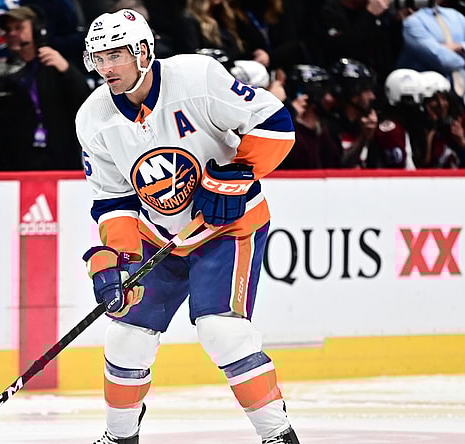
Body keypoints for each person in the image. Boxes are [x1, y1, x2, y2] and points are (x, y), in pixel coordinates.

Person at [76, 8, 299, 444]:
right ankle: (119, 438)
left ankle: (277, 435)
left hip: (228, 229)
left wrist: (237, 175)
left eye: (115, 55)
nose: (105, 68)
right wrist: (119, 259)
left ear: (143, 52)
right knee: (125, 337)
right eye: (98, 58)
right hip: (157, 235)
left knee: (222, 330)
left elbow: (275, 123)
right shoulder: (93, 118)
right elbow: (114, 200)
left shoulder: (197, 78)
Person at [0, 5, 90, 170]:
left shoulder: (56, 66)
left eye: (19, 27)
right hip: (17, 167)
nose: (12, 33)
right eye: (8, 30)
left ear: (37, 30)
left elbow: (86, 108)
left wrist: (68, 71)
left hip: (61, 164)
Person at [397, 0, 465, 106]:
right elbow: (444, 59)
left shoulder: (454, 15)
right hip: (431, 99)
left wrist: (461, 47)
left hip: (464, 97)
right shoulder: (412, 23)